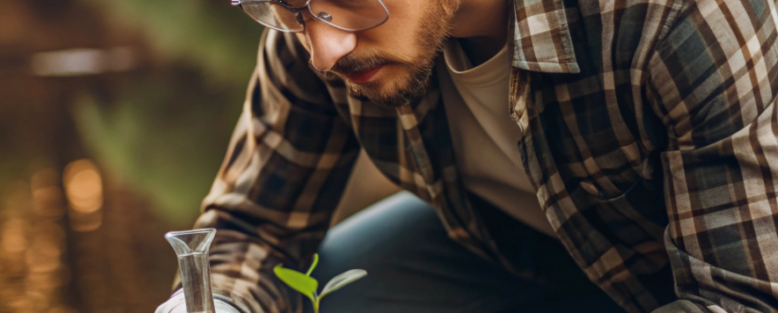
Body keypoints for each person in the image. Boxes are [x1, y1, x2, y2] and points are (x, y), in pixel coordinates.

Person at [157, 0, 778, 312]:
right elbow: (252, 226)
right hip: (506, 243)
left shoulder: (680, 19)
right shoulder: (315, 30)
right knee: (329, 291)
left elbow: (742, 300)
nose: (324, 50)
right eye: (288, 7)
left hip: (702, 272)